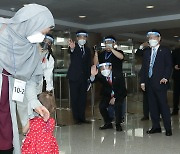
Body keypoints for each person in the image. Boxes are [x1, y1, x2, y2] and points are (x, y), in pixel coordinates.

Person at [0, 4, 55, 153]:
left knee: (6, 139)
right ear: (31, 23)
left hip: (6, 102)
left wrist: (35, 103)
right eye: (41, 32)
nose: (42, 37)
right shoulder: (1, 33)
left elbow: (29, 78)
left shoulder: (30, 48)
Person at [140, 29, 172, 136]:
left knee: (163, 105)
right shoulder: (147, 52)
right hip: (149, 83)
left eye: (154, 37)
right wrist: (142, 82)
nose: (152, 39)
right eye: (150, 38)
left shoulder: (165, 50)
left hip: (160, 82)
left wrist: (165, 77)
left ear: (159, 38)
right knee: (152, 106)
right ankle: (156, 126)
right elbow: (144, 68)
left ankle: (168, 128)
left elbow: (168, 65)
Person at [91, 36, 127, 131]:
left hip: (117, 81)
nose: (108, 43)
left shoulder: (118, 52)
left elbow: (121, 57)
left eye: (110, 42)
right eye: (106, 42)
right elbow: (96, 64)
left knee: (118, 104)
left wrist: (111, 48)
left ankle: (118, 123)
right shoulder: (102, 54)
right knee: (102, 105)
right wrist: (96, 52)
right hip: (106, 80)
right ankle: (108, 122)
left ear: (114, 43)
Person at [67, 30, 92, 124]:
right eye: (80, 37)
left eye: (84, 37)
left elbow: (88, 64)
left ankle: (82, 118)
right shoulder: (74, 47)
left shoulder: (88, 50)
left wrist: (89, 77)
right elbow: (71, 51)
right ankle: (76, 118)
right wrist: (72, 48)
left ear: (86, 38)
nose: (82, 39)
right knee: (75, 98)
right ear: (77, 38)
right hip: (74, 77)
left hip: (84, 78)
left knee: (83, 98)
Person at [136, 42, 150, 121]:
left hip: (155, 77)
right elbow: (138, 53)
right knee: (146, 98)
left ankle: (158, 115)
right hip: (145, 77)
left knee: (157, 98)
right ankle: (146, 115)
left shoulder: (160, 50)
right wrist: (141, 46)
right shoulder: (146, 50)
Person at [171, 47, 180, 115]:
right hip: (177, 76)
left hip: (177, 75)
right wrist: (174, 66)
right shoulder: (175, 51)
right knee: (176, 94)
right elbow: (171, 62)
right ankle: (175, 109)